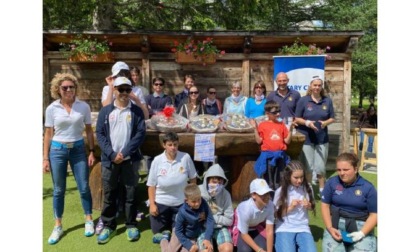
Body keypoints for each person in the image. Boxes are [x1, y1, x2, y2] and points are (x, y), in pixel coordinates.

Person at [43, 73, 95, 245]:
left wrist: (92, 151)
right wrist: (45, 158)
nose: (68, 90)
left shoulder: (83, 107)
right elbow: (48, 133)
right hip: (57, 150)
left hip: (79, 149)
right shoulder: (52, 108)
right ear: (58, 89)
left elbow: (88, 130)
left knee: (84, 186)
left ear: (75, 89)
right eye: (64, 87)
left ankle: (88, 219)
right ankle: (58, 225)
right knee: (58, 189)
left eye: (71, 87)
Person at [95, 76, 146, 244]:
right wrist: (111, 154)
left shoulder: (137, 111)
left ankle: (131, 224)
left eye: (127, 90)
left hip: (129, 159)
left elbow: (140, 134)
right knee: (109, 193)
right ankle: (109, 225)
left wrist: (123, 153)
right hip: (110, 160)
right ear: (114, 90)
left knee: (130, 193)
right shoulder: (105, 111)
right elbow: (100, 135)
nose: (124, 93)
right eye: (121, 89)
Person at [146, 132, 198, 243]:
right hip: (161, 202)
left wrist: (191, 199)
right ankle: (167, 228)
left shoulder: (185, 157)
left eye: (175, 144)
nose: (173, 147)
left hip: (180, 203)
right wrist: (152, 204)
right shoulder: (157, 160)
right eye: (170, 145)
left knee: (180, 231)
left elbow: (193, 179)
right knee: (156, 231)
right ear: (164, 145)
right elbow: (151, 185)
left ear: (178, 144)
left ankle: (173, 227)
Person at [321, 152, 377, 251]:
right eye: (339, 170)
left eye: (346, 169)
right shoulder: (331, 182)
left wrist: (361, 234)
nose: (342, 173)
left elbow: (375, 214)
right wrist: (330, 228)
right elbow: (325, 205)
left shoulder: (368, 188)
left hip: (361, 227)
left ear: (355, 169)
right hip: (336, 225)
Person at [295, 76, 335, 194]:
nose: (317, 87)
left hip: (322, 138)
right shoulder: (303, 100)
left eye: (319, 85)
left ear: (321, 87)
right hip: (306, 138)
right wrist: (307, 123)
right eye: (315, 85)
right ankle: (309, 188)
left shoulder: (327, 101)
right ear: (311, 86)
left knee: (321, 167)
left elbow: (332, 118)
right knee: (308, 166)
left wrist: (325, 123)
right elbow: (297, 118)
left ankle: (322, 189)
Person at [273, 160, 317, 252]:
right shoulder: (280, 191)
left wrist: (308, 205)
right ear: (288, 176)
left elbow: (312, 206)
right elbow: (276, 215)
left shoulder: (307, 187)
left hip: (303, 227)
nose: (299, 180)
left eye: (301, 177)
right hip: (284, 227)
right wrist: (290, 208)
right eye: (296, 177)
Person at [160, 184, 215, 252]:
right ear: (186, 201)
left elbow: (210, 220)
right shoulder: (182, 212)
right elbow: (178, 231)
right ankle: (164, 238)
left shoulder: (203, 203)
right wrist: (189, 245)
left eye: (199, 199)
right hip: (179, 232)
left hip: (192, 236)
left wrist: (207, 238)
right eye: (194, 201)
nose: (197, 203)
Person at [250, 101, 292, 190]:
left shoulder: (281, 124)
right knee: (268, 180)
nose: (278, 114)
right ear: (267, 113)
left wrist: (291, 130)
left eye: (279, 111)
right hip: (268, 157)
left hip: (280, 157)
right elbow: (258, 141)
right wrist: (255, 128)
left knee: (280, 179)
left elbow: (287, 141)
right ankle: (269, 198)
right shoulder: (263, 125)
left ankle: (279, 199)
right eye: (275, 112)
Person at [198, 164, 234, 252]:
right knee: (206, 250)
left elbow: (229, 220)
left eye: (220, 182)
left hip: (219, 226)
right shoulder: (198, 191)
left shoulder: (226, 194)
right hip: (202, 226)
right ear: (207, 180)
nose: (217, 185)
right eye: (214, 182)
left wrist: (210, 218)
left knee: (227, 249)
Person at [234, 178, 275, 252]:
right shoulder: (246, 210)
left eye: (268, 193)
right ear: (253, 195)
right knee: (245, 250)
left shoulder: (270, 205)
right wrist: (259, 250)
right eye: (263, 194)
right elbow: (244, 234)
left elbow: (269, 230)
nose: (267, 197)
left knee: (264, 246)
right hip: (242, 229)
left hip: (256, 227)